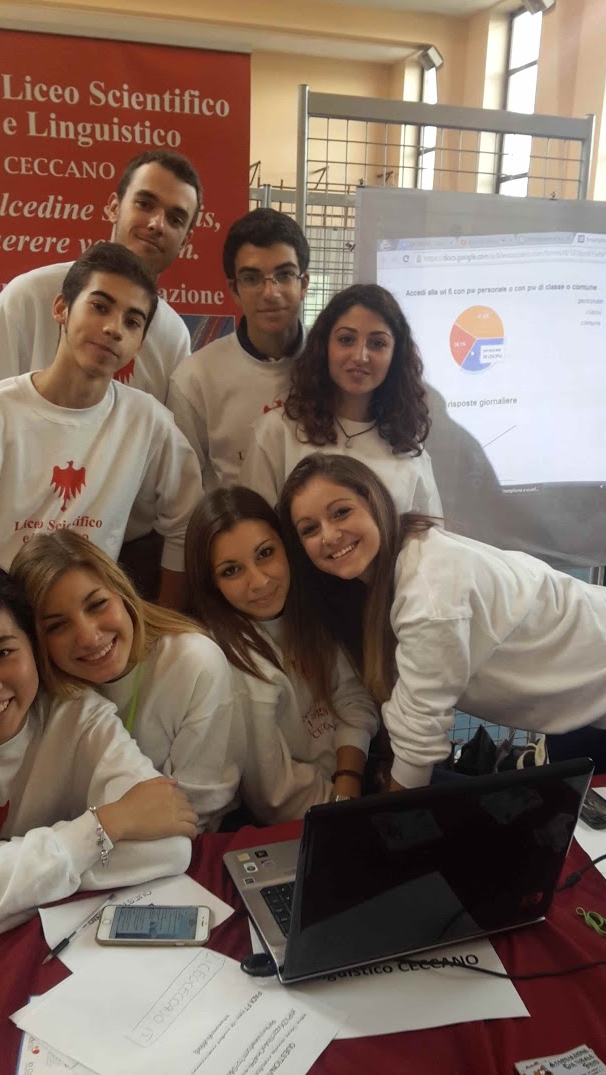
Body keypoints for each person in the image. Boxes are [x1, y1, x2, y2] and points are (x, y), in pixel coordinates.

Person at [0, 560, 195, 1074]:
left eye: (2, 653)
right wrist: (105, 825)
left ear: (34, 650)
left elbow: (170, 848)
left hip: (37, 971)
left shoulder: (80, 716)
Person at [278, 453, 606, 796]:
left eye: (341, 512)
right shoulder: (386, 571)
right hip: (587, 692)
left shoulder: (429, 591)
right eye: (310, 529)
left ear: (374, 502)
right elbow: (406, 705)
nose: (329, 535)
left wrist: (384, 825)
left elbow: (420, 736)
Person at [0, 242, 202, 607]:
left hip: (88, 627)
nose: (113, 328)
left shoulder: (148, 423)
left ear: (139, 344)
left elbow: (187, 521)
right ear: (61, 309)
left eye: (132, 322)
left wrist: (165, 619)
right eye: (100, 306)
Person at [0, 149, 201, 436]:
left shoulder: (173, 336)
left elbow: (169, 448)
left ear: (186, 240)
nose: (157, 224)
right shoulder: (30, 296)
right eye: (144, 204)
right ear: (114, 207)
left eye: (175, 219)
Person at [11, 531, 244, 833]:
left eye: (97, 605)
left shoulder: (194, 662)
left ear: (123, 593)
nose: (89, 637)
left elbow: (192, 814)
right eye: (57, 626)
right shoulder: (35, 692)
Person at [183, 485, 378, 823]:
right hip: (311, 816)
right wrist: (345, 807)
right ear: (210, 583)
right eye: (231, 570)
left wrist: (349, 780)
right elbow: (275, 797)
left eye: (265, 553)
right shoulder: (228, 663)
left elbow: (351, 696)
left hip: (353, 777)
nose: (259, 582)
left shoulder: (307, 609)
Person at [241, 283, 442, 519]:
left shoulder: (406, 446)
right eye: (346, 339)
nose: (360, 356)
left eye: (377, 343)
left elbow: (428, 537)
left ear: (395, 355)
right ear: (324, 346)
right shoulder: (276, 434)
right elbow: (251, 531)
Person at [168, 208, 309, 489]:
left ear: (303, 284)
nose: (270, 293)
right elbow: (183, 490)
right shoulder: (196, 378)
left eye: (284, 275)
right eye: (252, 278)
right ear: (234, 290)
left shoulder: (332, 365)